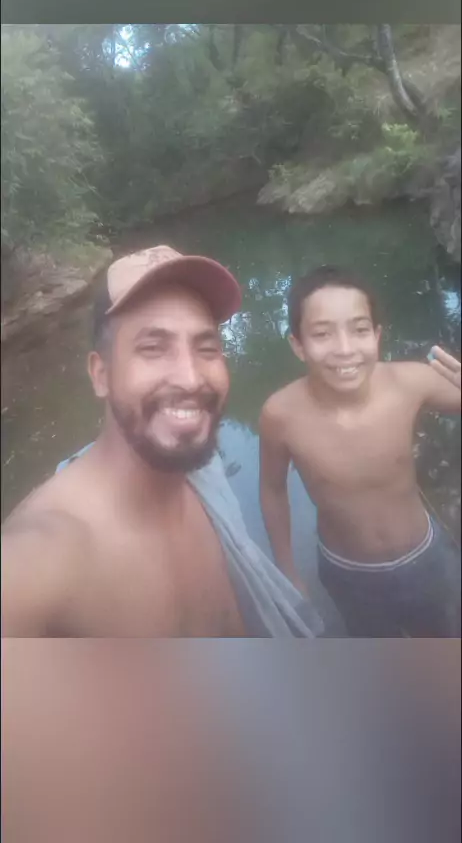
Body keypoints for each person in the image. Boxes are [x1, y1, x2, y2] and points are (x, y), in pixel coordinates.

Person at [1, 245, 323, 638]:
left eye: (206, 348)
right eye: (153, 348)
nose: (190, 378)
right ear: (100, 375)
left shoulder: (201, 476)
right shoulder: (46, 554)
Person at [259, 265, 461, 638]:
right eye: (322, 333)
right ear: (298, 345)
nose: (345, 349)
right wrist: (286, 570)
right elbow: (272, 490)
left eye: (360, 329)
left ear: (377, 335)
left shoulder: (408, 382)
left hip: (424, 557)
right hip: (347, 572)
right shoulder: (280, 415)